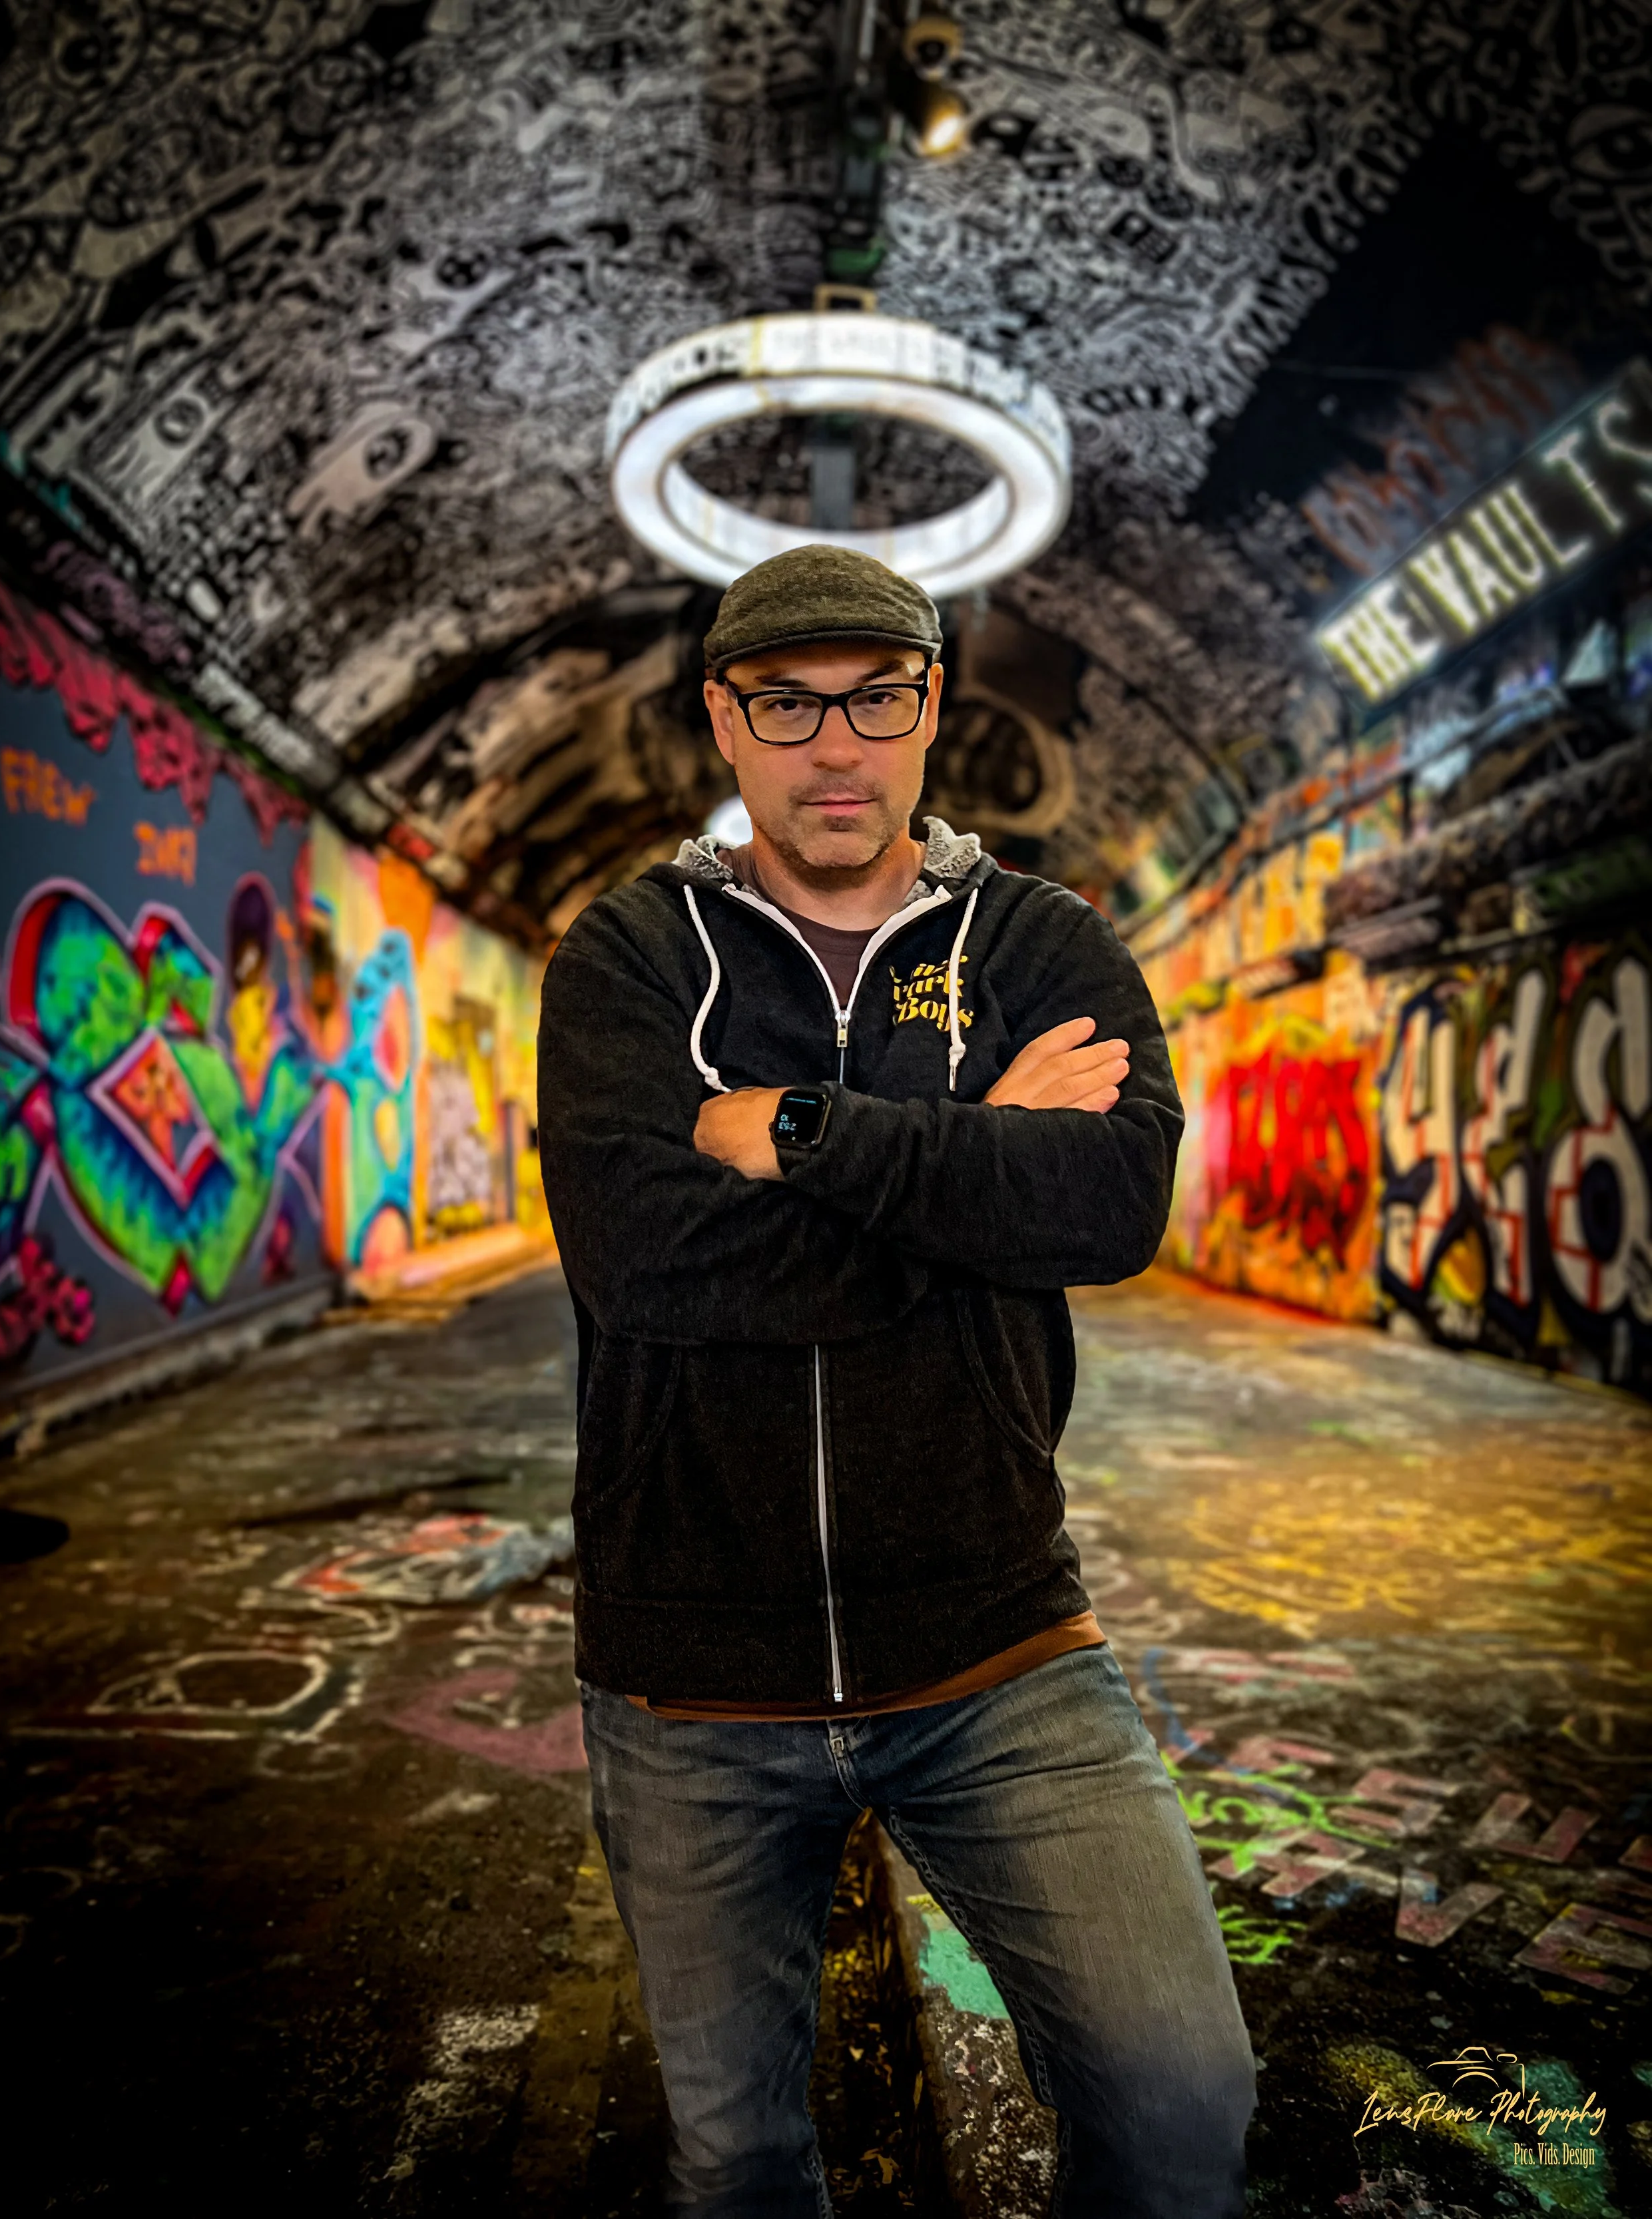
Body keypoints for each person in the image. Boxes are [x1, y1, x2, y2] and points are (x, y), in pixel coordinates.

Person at [535, 543, 1256, 2216]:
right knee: (738, 2166)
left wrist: (795, 1135)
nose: (832, 745)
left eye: (874, 697)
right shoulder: (632, 960)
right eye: (786, 704)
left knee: (1181, 2105)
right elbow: (650, 1266)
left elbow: (1110, 1205)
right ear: (724, 720)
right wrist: (973, 1157)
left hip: (997, 1650)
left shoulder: (1039, 941)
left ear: (930, 707)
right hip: (689, 1680)